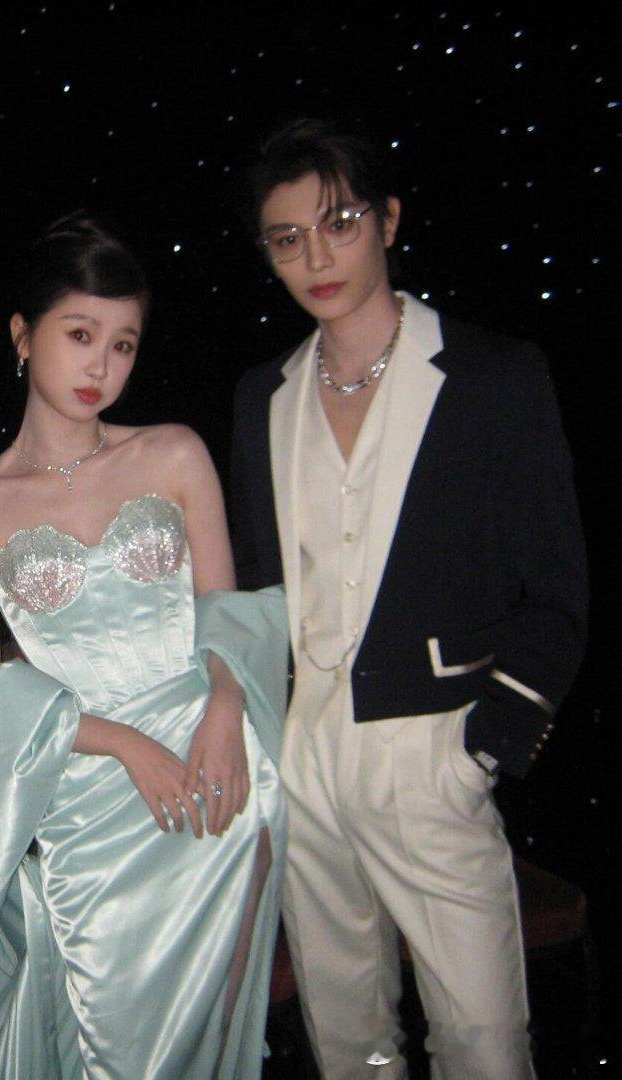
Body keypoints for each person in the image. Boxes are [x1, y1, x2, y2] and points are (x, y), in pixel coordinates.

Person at [230, 117, 588, 1077]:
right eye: (287, 238)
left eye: (340, 223)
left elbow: (557, 592)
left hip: (433, 747)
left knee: (484, 1042)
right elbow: (259, 587)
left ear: (388, 220)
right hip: (306, 755)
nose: (317, 257)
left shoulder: (492, 375)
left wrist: (483, 746)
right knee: (349, 1044)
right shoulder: (263, 396)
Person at [0, 214, 290, 1078]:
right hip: (88, 787)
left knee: (212, 1033)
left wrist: (226, 710)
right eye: (80, 335)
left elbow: (226, 615)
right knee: (111, 1045)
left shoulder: (174, 452)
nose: (101, 366)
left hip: (211, 768)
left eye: (123, 344)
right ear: (22, 336)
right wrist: (125, 743)